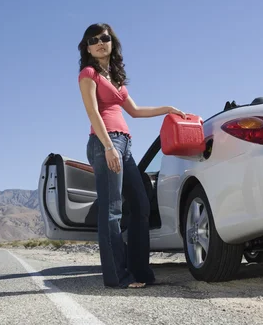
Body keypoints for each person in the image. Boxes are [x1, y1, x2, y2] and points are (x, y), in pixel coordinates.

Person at [77, 23, 186, 289]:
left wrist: (167, 108)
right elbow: (92, 113)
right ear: (88, 48)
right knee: (112, 211)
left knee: (141, 204)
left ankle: (139, 271)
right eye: (93, 41)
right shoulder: (88, 73)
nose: (100, 43)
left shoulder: (114, 78)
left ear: (112, 42)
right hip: (106, 143)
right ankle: (118, 276)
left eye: (104, 38)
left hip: (125, 144)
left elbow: (135, 111)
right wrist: (108, 146)